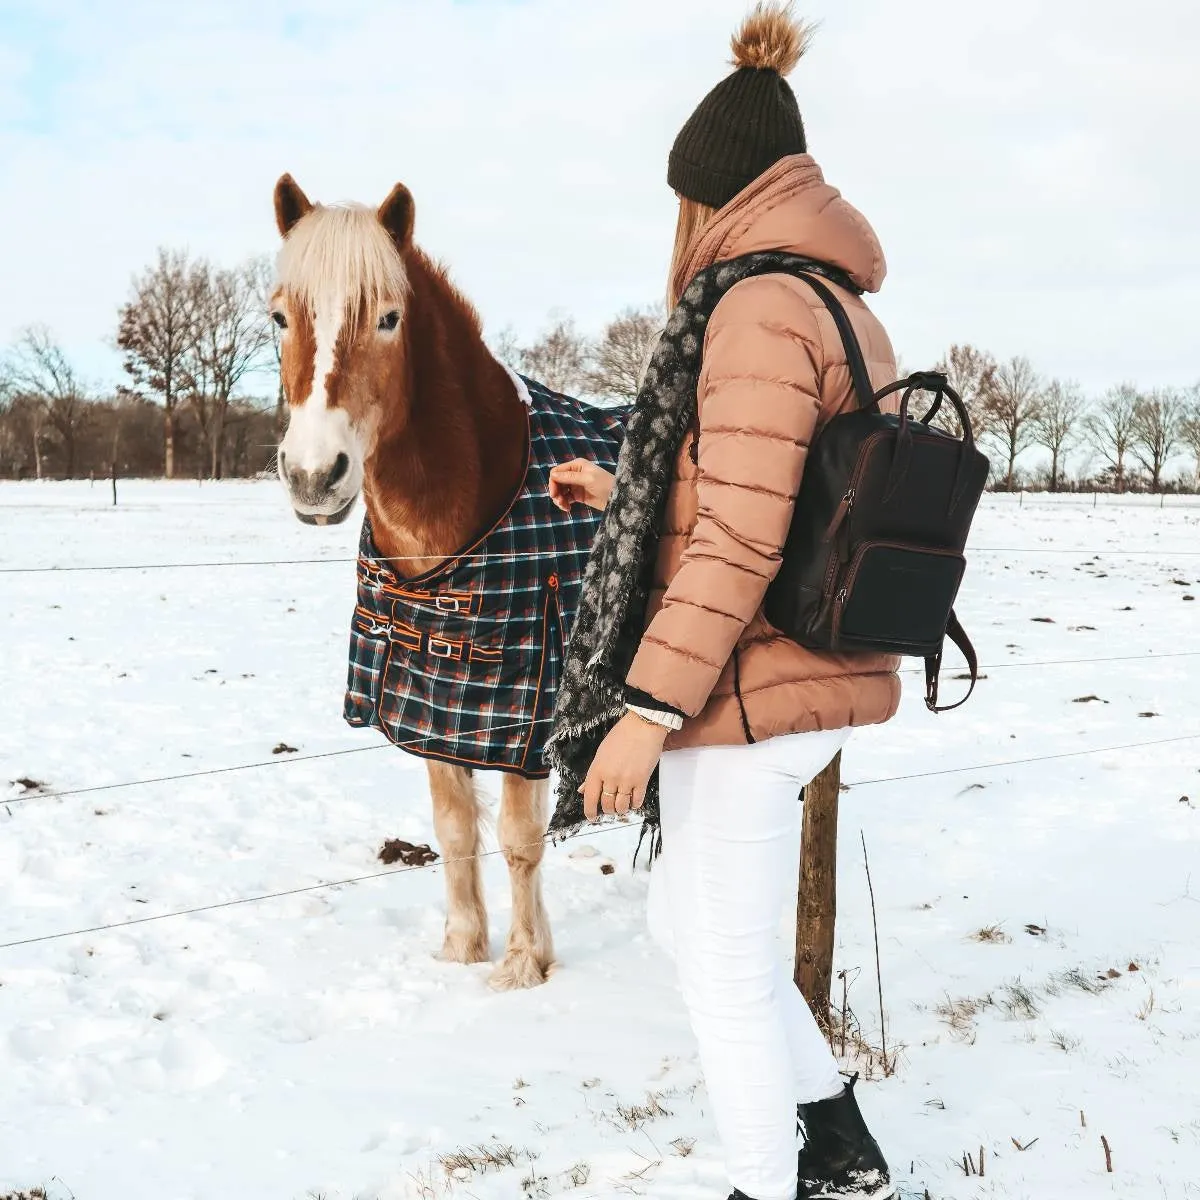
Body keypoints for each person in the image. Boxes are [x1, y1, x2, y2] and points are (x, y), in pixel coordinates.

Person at [547, 5, 900, 1199]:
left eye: (683, 203)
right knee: (688, 935)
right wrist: (624, 495)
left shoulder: (753, 307)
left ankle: (776, 1181)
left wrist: (645, 709)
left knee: (729, 977)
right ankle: (840, 1155)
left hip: (748, 686)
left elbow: (745, 538)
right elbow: (768, 498)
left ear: (716, 196)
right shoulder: (835, 301)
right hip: (800, 667)